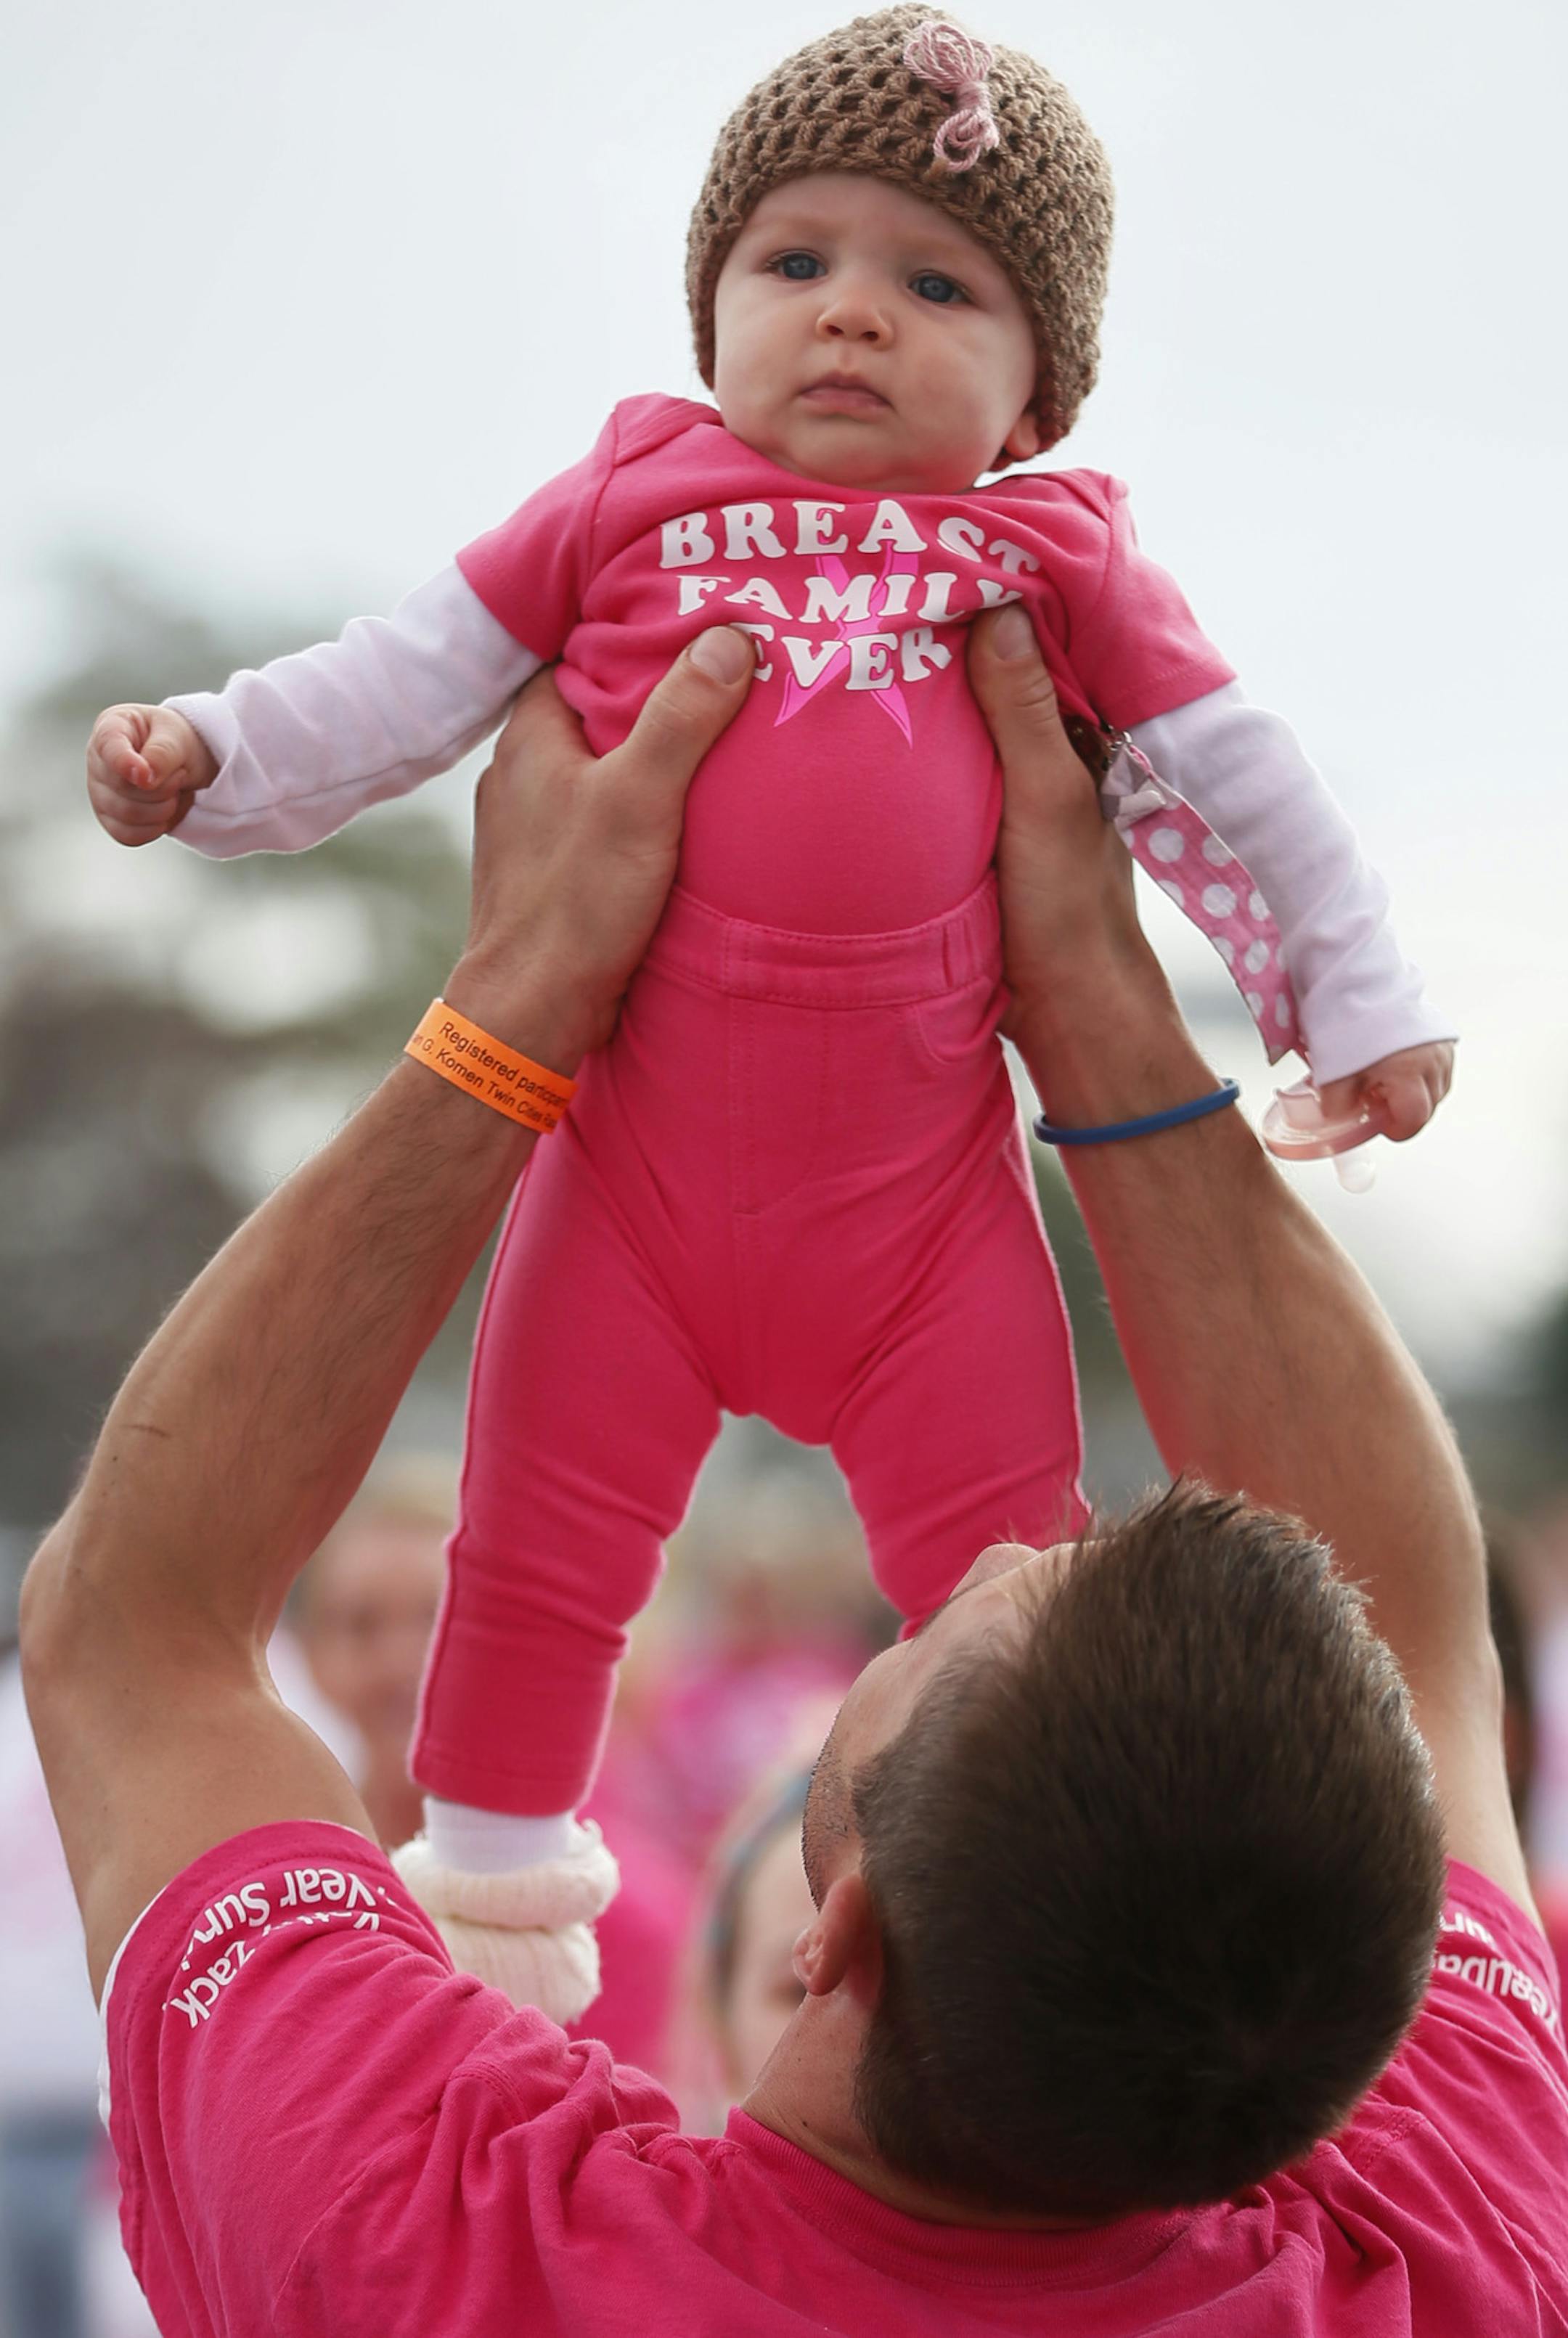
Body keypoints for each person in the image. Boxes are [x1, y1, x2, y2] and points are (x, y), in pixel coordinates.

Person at [78, 9, 1458, 2001]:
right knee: (532, 1563)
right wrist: (208, 752)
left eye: (936, 282)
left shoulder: (1055, 550)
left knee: (1020, 1593)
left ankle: (1030, 1950)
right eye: (792, 263)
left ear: (1039, 390)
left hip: (922, 1214)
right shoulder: (631, 487)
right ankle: (486, 1922)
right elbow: (403, 676)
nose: (852, 317)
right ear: (710, 304)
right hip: (622, 1185)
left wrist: (1360, 994)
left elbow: (1241, 778)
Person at [24, 608, 1564, 2329]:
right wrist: (1092, 995)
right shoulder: (1450, 2261)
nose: (982, 1560)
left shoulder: (440, 2234)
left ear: (832, 1950)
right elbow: (1426, 1629)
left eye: (931, 1646)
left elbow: (130, 1629)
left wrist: (525, 987)